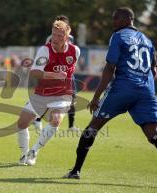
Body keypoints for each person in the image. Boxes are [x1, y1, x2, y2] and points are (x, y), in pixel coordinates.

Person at [63, 7, 157, 179]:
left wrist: (96, 97)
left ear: (129, 19)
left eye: (117, 18)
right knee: (153, 135)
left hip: (123, 89)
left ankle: (75, 171)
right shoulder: (147, 40)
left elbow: (109, 68)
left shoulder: (119, 36)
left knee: (93, 127)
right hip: (146, 91)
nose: (113, 22)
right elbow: (154, 70)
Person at [17, 19, 80, 165]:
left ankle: (34, 151)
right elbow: (35, 72)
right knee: (22, 122)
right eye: (53, 34)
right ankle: (23, 154)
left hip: (63, 93)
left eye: (59, 36)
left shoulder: (75, 50)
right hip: (42, 92)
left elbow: (70, 70)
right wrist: (54, 75)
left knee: (56, 119)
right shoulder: (44, 50)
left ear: (66, 37)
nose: (55, 39)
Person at [33, 15, 79, 132]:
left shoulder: (71, 39)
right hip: (51, 72)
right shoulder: (51, 38)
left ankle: (71, 126)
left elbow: (71, 54)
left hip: (67, 75)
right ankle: (38, 120)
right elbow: (47, 53)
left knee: (72, 99)